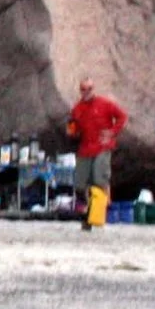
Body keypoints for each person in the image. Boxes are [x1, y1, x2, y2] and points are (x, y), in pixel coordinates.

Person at [65, 78, 128, 230]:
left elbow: (122, 116)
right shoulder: (77, 109)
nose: (87, 92)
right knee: (80, 184)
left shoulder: (104, 104)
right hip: (85, 149)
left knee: (99, 178)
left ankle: (99, 214)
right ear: (80, 90)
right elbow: (73, 129)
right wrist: (71, 132)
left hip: (102, 147)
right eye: (83, 89)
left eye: (89, 88)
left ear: (94, 89)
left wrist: (112, 132)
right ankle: (87, 215)